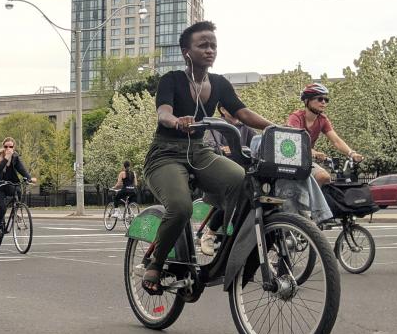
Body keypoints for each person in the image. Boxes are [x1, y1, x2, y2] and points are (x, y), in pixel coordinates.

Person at [141, 21, 274, 295]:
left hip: (199, 152)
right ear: (185, 51)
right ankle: (156, 262)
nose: (210, 50)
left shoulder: (220, 83)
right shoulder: (172, 80)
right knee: (180, 207)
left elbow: (242, 113)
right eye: (203, 45)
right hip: (166, 154)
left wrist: (274, 126)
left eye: (213, 45)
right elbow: (163, 113)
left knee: (241, 180)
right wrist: (178, 121)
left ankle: (223, 241)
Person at [197, 105, 258, 255]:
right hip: (223, 174)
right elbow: (212, 146)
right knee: (233, 198)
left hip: (245, 174)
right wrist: (224, 149)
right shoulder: (217, 126)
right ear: (223, 110)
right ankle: (209, 234)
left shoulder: (247, 128)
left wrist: (238, 148)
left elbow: (256, 147)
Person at [286, 83, 363, 185]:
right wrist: (313, 152)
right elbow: (295, 142)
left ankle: (312, 201)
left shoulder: (322, 120)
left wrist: (351, 153)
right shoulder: (296, 118)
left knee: (325, 178)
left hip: (306, 161)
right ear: (306, 100)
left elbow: (336, 141)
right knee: (322, 176)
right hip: (291, 160)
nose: (323, 102)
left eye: (326, 100)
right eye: (319, 99)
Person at [0, 137, 37, 239]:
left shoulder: (15, 157)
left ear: (14, 147)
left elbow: (21, 168)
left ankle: (16, 210)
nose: (8, 148)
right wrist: (6, 158)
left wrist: (29, 178)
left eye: (11, 146)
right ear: (3, 147)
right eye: (6, 146)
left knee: (18, 190)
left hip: (9, 184)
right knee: (2, 209)